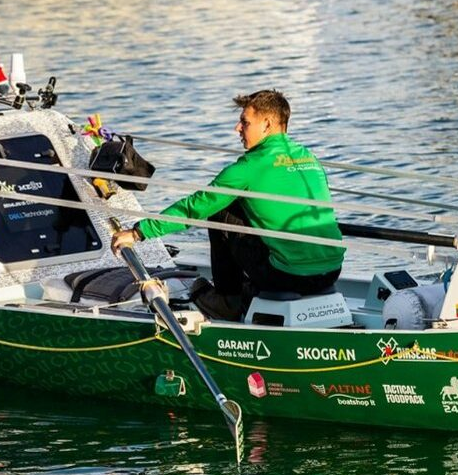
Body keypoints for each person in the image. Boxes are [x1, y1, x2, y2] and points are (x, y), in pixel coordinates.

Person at [111, 90, 344, 321]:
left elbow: (196, 207)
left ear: (267, 124)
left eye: (244, 122)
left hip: (288, 276)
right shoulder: (309, 158)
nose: (237, 128)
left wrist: (138, 232)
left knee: (219, 209)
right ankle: (245, 287)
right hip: (332, 272)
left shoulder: (248, 168)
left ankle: (227, 300)